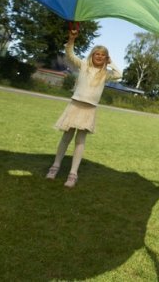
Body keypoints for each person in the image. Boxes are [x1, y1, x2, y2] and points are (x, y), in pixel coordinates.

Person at [46, 29, 122, 188]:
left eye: (103, 55)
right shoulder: (83, 66)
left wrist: (110, 61)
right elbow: (70, 55)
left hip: (89, 109)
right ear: (92, 55)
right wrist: (71, 39)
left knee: (80, 141)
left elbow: (119, 74)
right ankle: (55, 166)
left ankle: (73, 174)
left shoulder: (105, 73)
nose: (100, 57)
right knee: (66, 137)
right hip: (75, 104)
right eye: (97, 54)